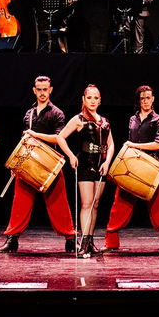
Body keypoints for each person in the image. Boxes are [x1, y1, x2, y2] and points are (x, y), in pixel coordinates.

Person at [0, 76, 77, 253]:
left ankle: (70, 239)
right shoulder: (29, 114)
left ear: (50, 90)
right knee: (20, 201)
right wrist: (17, 165)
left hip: (50, 164)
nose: (42, 93)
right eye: (39, 89)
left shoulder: (57, 113)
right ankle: (12, 239)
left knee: (60, 202)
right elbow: (24, 141)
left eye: (45, 89)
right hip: (28, 164)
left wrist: (35, 134)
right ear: (34, 90)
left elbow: (59, 138)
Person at [102, 85, 159, 253]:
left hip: (152, 168)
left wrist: (134, 145)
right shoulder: (132, 119)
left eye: (148, 98)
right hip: (133, 167)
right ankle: (111, 241)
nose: (145, 101)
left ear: (153, 99)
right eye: (142, 98)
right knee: (119, 205)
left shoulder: (158, 120)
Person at [57, 84, 114, 257]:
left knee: (95, 204)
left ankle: (90, 241)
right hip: (85, 163)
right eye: (89, 97)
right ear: (83, 99)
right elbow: (60, 137)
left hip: (101, 164)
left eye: (96, 98)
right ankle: (83, 242)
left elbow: (111, 144)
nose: (92, 101)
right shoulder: (79, 119)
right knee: (87, 204)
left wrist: (107, 163)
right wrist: (70, 156)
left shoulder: (104, 121)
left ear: (100, 100)